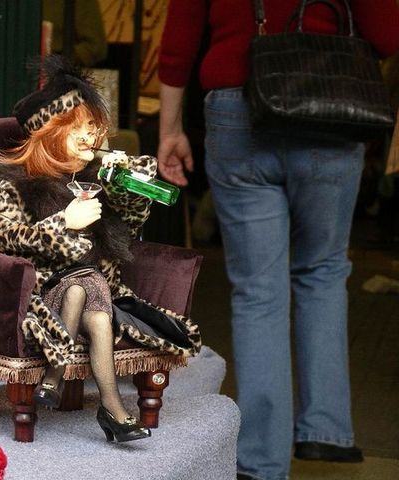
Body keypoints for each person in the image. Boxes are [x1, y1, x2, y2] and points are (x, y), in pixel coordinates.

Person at [157, 1, 399, 479]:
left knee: (258, 291)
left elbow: (179, 39)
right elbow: (388, 35)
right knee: (323, 271)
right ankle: (325, 430)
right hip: (331, 107)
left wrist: (170, 129)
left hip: (239, 109)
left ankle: (262, 459)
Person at [0, 54, 201, 443]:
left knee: (93, 304)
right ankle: (107, 408)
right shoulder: (14, 185)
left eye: (95, 128)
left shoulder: (95, 179)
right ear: (49, 134)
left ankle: (88, 397)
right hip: (41, 295)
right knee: (83, 286)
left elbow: (131, 223)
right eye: (79, 129)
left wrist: (128, 181)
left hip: (93, 293)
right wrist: (63, 223)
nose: (91, 138)